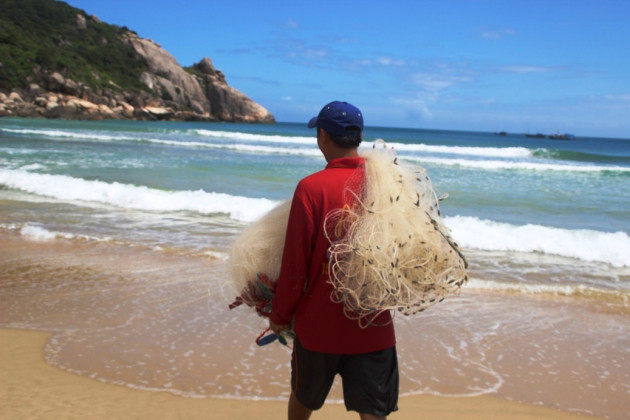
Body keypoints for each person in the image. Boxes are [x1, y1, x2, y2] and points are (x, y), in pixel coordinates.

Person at [268, 101, 399, 420]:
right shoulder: (389, 186)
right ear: (359, 136)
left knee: (303, 398)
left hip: (319, 326)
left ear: (322, 135)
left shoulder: (310, 188)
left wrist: (280, 314)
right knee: (373, 411)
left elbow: (295, 265)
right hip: (373, 323)